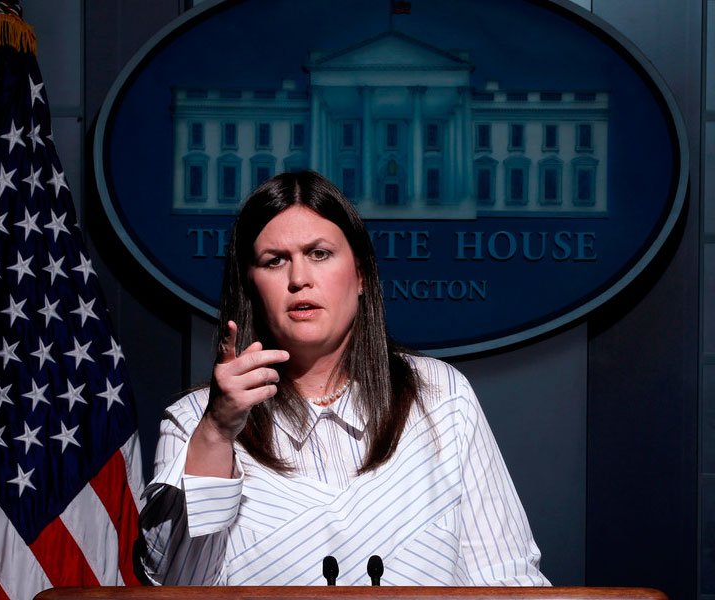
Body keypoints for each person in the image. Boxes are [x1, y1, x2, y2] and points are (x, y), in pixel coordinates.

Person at [137, 171, 549, 586]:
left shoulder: (440, 395)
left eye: (319, 254)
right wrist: (217, 432)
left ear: (361, 275)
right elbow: (174, 586)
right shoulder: (193, 420)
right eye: (275, 261)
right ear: (250, 285)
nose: (299, 278)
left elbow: (508, 575)